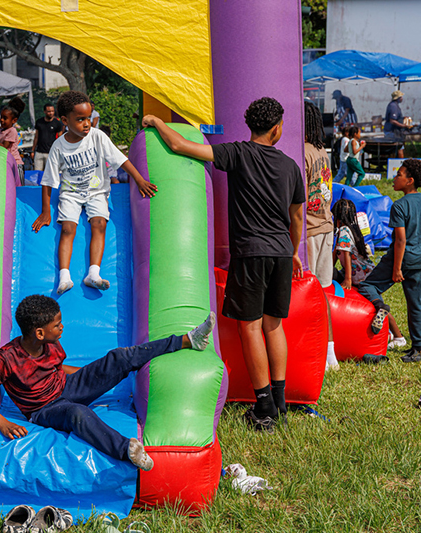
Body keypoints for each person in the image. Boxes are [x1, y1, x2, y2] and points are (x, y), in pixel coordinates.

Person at [143, 97, 304, 431]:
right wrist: (292, 250)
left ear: (252, 126)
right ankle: (280, 403)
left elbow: (180, 145)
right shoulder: (291, 166)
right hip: (281, 251)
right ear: (277, 128)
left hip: (251, 251)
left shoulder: (238, 153)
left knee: (251, 326)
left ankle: (263, 408)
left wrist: (157, 123)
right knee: (274, 325)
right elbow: (297, 217)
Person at [0, 294, 215, 470]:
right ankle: (126, 450)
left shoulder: (49, 343)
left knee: (118, 357)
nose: (62, 328)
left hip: (66, 386)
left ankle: (186, 340)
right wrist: (2, 422)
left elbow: (57, 369)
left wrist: (97, 374)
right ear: (39, 333)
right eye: (56, 325)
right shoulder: (7, 359)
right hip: (43, 410)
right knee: (77, 413)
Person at [32, 91, 157, 293]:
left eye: (88, 118)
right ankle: (64, 277)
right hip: (71, 194)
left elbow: (121, 160)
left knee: (99, 223)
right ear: (65, 120)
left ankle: (93, 273)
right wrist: (46, 211)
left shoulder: (97, 137)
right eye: (80, 119)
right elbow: (48, 181)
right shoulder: (58, 147)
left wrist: (140, 179)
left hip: (97, 191)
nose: (87, 124)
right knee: (67, 228)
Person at [358, 159, 421, 362]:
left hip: (402, 259)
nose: (394, 178)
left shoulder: (399, 206)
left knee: (367, 285)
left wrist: (396, 268)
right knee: (415, 304)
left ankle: (381, 307)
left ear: (410, 180)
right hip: (419, 259)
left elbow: (400, 240)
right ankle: (418, 348)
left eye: (399, 175)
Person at [331, 199, 406, 349]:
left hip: (360, 275)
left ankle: (399, 337)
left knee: (376, 305)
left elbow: (345, 254)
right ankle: (392, 334)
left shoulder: (344, 231)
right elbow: (336, 254)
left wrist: (347, 280)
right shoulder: (351, 228)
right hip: (357, 271)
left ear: (337, 217)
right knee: (375, 304)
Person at [304, 102, 339, 371]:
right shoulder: (321, 151)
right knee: (323, 293)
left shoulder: (301, 152)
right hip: (326, 226)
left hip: (309, 230)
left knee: (304, 292)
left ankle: (309, 349)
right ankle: (330, 352)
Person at [0, 97, 24, 179]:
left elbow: (4, 147)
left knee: (18, 187)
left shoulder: (12, 131)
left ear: (14, 120)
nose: (2, 120)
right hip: (5, 163)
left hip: (15, 164)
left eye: (5, 118)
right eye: (1, 117)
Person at [32, 103, 63, 171]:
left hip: (50, 152)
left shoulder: (57, 123)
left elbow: (60, 138)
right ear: (45, 112)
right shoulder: (39, 122)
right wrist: (33, 150)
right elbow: (36, 137)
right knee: (37, 173)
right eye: (49, 111)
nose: (51, 113)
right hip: (39, 152)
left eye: (52, 111)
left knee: (50, 172)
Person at [385, 90, 412, 158]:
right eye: (401, 97)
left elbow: (396, 118)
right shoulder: (393, 106)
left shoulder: (394, 105)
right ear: (398, 98)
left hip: (394, 131)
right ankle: (399, 163)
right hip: (392, 132)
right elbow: (392, 120)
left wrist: (402, 118)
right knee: (399, 148)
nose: (402, 98)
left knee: (399, 148)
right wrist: (404, 125)